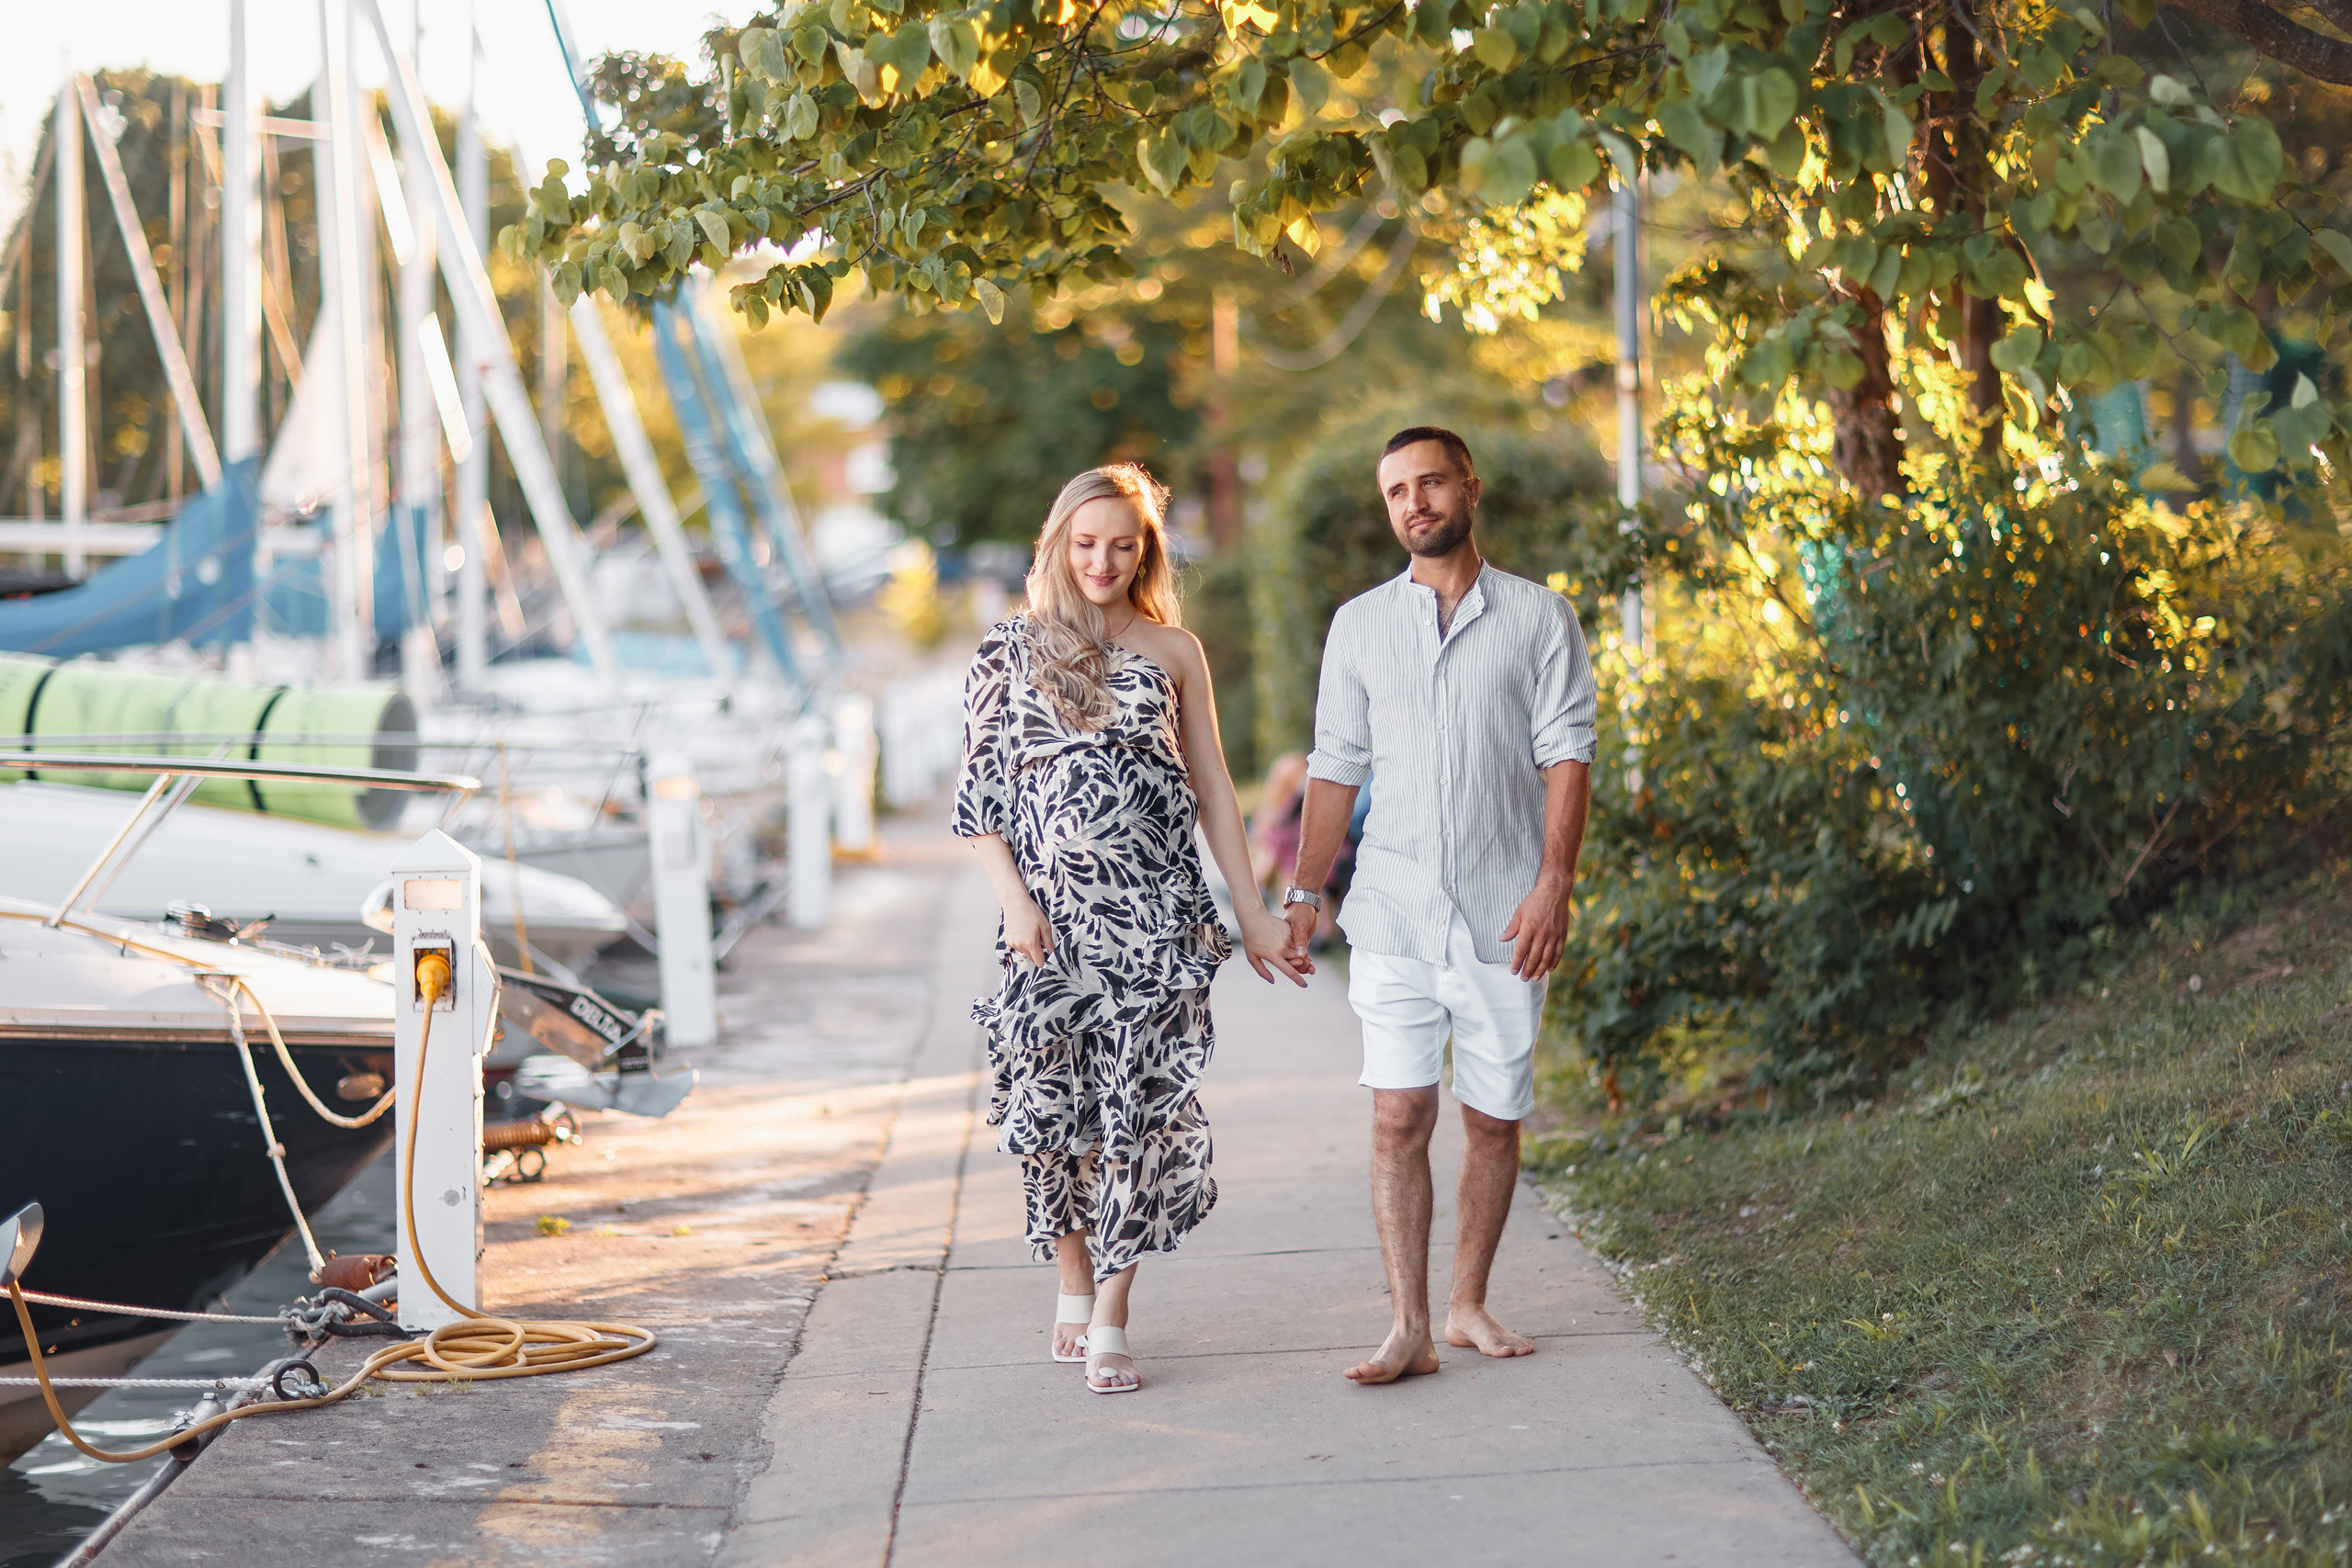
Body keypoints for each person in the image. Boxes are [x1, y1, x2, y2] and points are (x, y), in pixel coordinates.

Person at [955, 463, 1305, 1396]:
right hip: (1048, 928)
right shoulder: (1008, 649)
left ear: (1144, 549)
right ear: (1058, 547)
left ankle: (1111, 1310)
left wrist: (1255, 914)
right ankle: (1071, 1274)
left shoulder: (1174, 649)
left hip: (1156, 920)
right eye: (1085, 542)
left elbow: (1215, 791)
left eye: (1123, 543)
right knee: (1051, 1113)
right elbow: (978, 796)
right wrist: (1013, 900)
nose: (1103, 560)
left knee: (1135, 1115)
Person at [1281, 426, 1597, 1386]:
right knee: (1397, 1114)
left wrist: (1553, 883)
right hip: (1392, 909)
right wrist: (1302, 890)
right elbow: (1333, 768)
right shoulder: (1358, 625)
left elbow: (1567, 755)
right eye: (1394, 493)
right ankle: (1408, 1325)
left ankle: (1466, 1305)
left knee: (1493, 1119)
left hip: (1506, 910)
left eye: (1427, 484)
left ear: (1468, 487)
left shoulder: (1542, 618)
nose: (1411, 504)